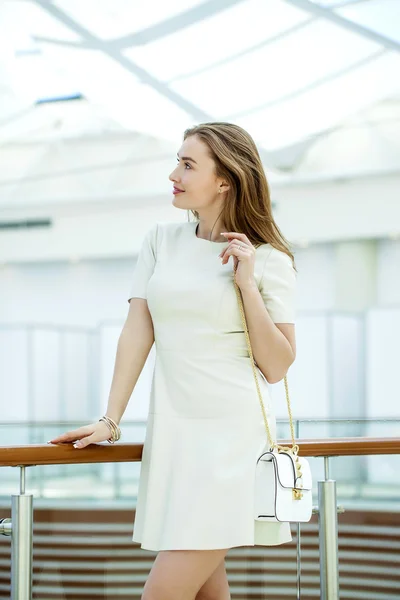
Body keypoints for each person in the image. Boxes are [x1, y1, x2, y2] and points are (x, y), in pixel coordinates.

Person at [49, 122, 297, 600]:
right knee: (206, 591)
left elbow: (278, 365)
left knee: (161, 593)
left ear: (225, 179)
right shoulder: (160, 241)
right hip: (177, 436)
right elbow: (137, 332)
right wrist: (110, 418)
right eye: (177, 162)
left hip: (232, 438)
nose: (173, 174)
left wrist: (246, 284)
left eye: (187, 165)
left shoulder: (269, 261)